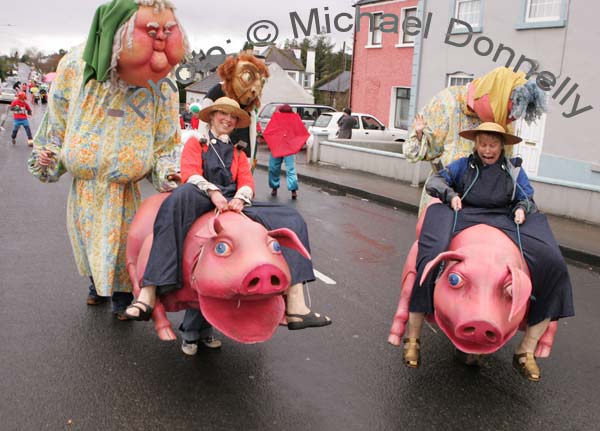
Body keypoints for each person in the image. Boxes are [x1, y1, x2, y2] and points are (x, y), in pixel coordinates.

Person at [123, 97, 332, 348]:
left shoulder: (238, 151)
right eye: (222, 114)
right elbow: (190, 173)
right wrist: (212, 193)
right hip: (201, 194)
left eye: (233, 117)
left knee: (291, 217)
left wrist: (241, 199)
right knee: (175, 202)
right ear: (211, 117)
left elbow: (246, 180)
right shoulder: (195, 144)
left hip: (233, 198)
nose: (228, 119)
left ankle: (296, 303)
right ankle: (149, 291)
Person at [28, 0, 186, 318]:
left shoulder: (162, 85)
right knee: (88, 240)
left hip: (125, 187)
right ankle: (95, 285)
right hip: (86, 186)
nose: (160, 41)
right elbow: (58, 120)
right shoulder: (75, 66)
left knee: (126, 241)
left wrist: (170, 172)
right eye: (151, 31)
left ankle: (122, 295)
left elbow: (166, 140)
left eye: (167, 31)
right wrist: (48, 157)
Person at [403, 122, 574, 382]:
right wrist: (449, 195)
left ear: (501, 146)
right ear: (476, 144)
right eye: (483, 144)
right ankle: (413, 336)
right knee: (428, 255)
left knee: (554, 264)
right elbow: (437, 180)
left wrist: (521, 208)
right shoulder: (463, 165)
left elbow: (526, 196)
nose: (487, 150)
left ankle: (526, 348)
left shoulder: (514, 170)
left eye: (493, 145)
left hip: (505, 220)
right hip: (465, 214)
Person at [404, 67, 548, 213]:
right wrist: (420, 135)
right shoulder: (447, 103)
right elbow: (414, 153)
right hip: (446, 202)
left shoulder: (502, 121)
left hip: (489, 210)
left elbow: (507, 170)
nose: (507, 121)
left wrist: (520, 206)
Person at [267, 104, 300, 200]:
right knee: (278, 168)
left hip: (285, 147)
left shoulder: (293, 121)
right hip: (280, 146)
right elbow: (271, 131)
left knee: (284, 168)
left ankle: (289, 189)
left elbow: (297, 133)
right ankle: (278, 188)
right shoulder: (277, 120)